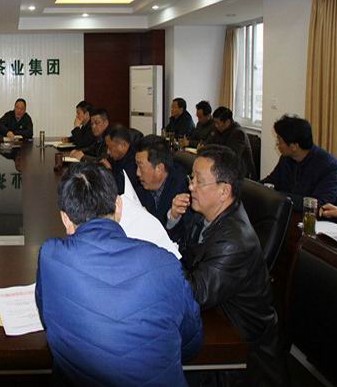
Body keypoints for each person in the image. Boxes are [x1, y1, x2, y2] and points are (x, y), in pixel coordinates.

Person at [35, 163, 202, 386]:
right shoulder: (165, 262)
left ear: (65, 219)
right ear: (119, 206)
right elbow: (191, 339)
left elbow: (48, 318)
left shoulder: (51, 256)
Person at [167, 145, 287, 385]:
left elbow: (195, 293)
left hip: (237, 346)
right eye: (192, 178)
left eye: (199, 181)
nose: (191, 187)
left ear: (224, 191)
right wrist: (173, 219)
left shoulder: (234, 242)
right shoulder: (205, 214)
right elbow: (187, 254)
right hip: (215, 315)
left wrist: (156, 265)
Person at [261, 115, 337, 211]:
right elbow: (271, 182)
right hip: (291, 213)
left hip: (319, 218)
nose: (277, 145)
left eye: (279, 141)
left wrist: (277, 196)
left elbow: (319, 205)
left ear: (294, 146)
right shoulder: (286, 158)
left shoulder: (330, 167)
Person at [134, 135, 189, 225]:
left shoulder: (182, 194)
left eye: (141, 166)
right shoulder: (140, 190)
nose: (137, 173)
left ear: (159, 169)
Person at [207, 106, 256, 179]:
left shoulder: (238, 133)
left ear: (227, 122)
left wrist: (213, 151)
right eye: (215, 122)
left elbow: (231, 157)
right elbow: (209, 144)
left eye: (217, 123)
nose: (215, 125)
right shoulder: (218, 130)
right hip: (224, 168)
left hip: (241, 174)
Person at [101, 124, 139, 195]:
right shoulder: (116, 157)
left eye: (110, 148)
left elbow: (121, 188)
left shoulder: (135, 160)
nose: (108, 152)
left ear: (123, 145)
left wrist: (109, 170)